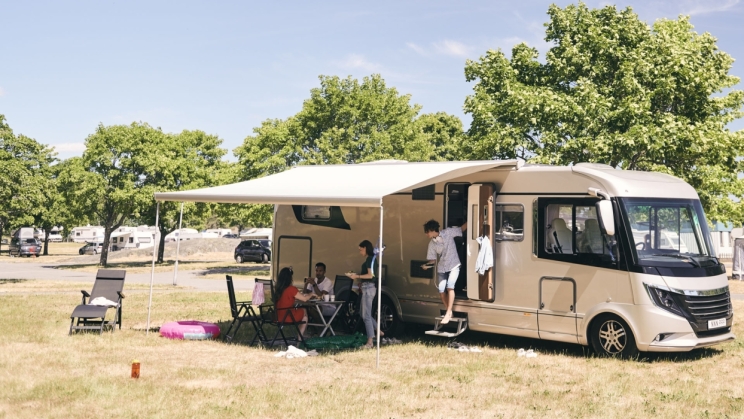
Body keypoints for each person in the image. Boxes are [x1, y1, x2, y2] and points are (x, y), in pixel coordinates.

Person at [421, 219, 467, 324]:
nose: (426, 234)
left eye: (427, 231)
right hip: (442, 267)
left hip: (454, 265)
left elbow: (462, 229)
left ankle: (448, 313)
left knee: (450, 286)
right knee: (441, 291)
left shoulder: (448, 232)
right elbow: (432, 260)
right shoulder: (431, 244)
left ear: (432, 230)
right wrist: (426, 265)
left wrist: (473, 216)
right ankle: (449, 312)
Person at [346, 240, 382, 349]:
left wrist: (357, 276)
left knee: (366, 316)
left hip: (368, 288)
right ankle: (378, 330)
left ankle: (370, 341)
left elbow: (370, 275)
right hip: (367, 288)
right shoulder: (371, 259)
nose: (360, 252)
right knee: (363, 314)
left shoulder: (370, 259)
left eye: (361, 249)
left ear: (366, 248)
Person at [274, 267, 315, 337]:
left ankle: (303, 335)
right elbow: (304, 299)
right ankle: (301, 337)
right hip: (287, 316)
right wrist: (311, 294)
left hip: (277, 316)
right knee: (304, 311)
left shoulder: (278, 288)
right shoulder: (291, 289)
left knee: (300, 310)